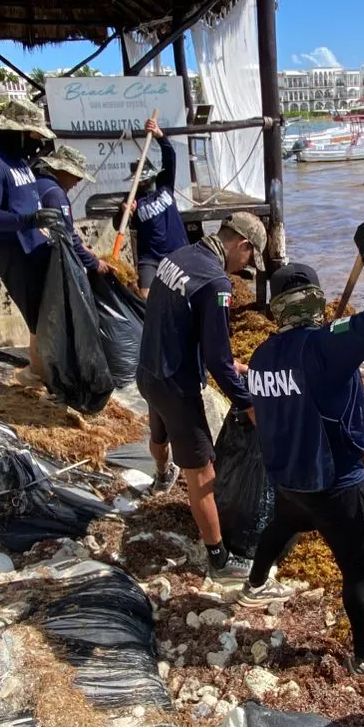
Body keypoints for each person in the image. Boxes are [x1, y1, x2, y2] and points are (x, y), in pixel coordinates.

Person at [238, 220, 364, 677]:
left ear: (275, 308)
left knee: (284, 524)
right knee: (358, 571)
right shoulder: (327, 349)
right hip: (336, 486)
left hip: (288, 478)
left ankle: (254, 584)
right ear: (316, 300)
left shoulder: (262, 356)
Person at [137, 212, 266, 584]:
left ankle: (160, 478)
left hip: (148, 371)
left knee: (159, 433)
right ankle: (219, 557)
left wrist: (229, 363)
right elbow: (217, 361)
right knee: (203, 472)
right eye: (249, 258)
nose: (246, 267)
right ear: (242, 245)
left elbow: (176, 321)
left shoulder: (177, 257)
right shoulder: (216, 282)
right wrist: (248, 403)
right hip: (177, 386)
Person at [0, 100, 110, 390]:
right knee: (37, 320)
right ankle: (38, 378)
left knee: (48, 317)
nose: (36, 143)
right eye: (33, 136)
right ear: (16, 131)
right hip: (17, 252)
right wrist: (30, 220)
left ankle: (45, 374)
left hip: (38, 248)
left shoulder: (19, 162)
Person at [121, 117, 188, 294]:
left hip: (177, 252)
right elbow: (119, 224)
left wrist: (159, 135)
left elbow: (170, 156)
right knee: (145, 296)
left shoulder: (164, 186)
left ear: (152, 176)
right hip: (150, 257)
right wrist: (127, 212)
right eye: (139, 180)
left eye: (145, 179)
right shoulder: (134, 198)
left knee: (181, 294)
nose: (143, 183)